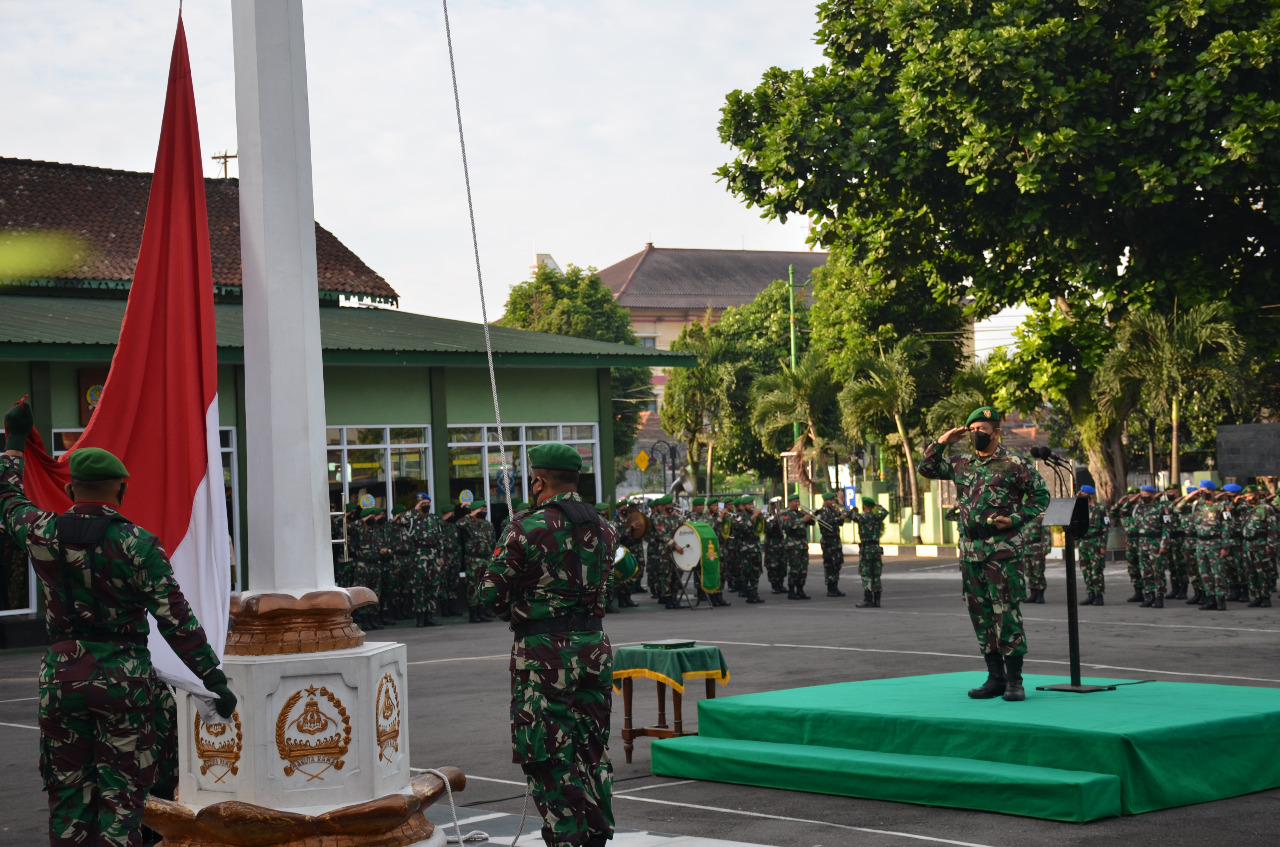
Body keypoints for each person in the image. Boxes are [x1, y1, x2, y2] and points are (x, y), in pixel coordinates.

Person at [1, 399, 236, 847]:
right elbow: (176, 619)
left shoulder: (42, 531)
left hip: (61, 679)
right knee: (122, 797)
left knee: (67, 796)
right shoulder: (138, 544)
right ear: (121, 491)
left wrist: (14, 445)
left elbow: (7, 500)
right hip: (123, 683)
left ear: (72, 492)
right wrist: (213, 677)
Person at [480, 442, 617, 847]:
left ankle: (567, 838)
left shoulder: (526, 527)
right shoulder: (605, 527)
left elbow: (490, 595)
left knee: (545, 753)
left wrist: (526, 613)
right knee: (591, 748)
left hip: (543, 655)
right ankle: (596, 834)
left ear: (538, 480)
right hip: (594, 648)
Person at [919, 405, 1049, 702]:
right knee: (981, 615)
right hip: (970, 550)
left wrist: (1016, 519)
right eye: (973, 430)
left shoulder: (1014, 462)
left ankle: (1015, 680)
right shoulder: (961, 462)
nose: (977, 434)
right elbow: (926, 469)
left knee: (1007, 614)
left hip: (1002, 549)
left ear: (996, 433)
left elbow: (1042, 496)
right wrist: (942, 442)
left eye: (982, 430)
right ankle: (995, 677)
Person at [850, 496, 889, 607]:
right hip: (876, 549)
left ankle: (868, 599)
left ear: (864, 506)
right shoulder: (878, 517)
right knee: (876, 575)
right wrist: (878, 506)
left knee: (866, 574)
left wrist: (844, 505)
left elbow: (849, 515)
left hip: (866, 549)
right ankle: (877, 600)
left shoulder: (862, 517)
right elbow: (885, 512)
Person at [462, 501, 497, 623]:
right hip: (473, 559)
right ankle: (473, 614)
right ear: (475, 511)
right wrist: (471, 514)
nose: (484, 511)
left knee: (484, 586)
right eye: (481, 509)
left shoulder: (488, 524)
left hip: (486, 558)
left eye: (485, 509)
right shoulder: (468, 523)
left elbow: (492, 542)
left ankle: (482, 612)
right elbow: (458, 524)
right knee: (472, 586)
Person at [1076, 486, 1109, 606]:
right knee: (1085, 570)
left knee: (1097, 570)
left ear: (1091, 495)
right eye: (1081, 493)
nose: (1082, 495)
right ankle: (1090, 594)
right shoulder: (1080, 508)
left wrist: (1103, 545)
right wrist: (1076, 498)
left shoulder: (1100, 509)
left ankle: (1099, 595)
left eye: (1084, 493)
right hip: (1083, 543)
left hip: (1095, 542)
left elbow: (1105, 528)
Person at [815, 491, 847, 597]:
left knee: (837, 563)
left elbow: (841, 522)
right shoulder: (821, 512)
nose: (833, 502)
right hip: (828, 541)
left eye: (834, 500)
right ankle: (830, 588)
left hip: (836, 540)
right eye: (831, 500)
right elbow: (826, 523)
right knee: (830, 565)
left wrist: (840, 512)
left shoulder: (833, 511)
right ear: (825, 501)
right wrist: (839, 518)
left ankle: (835, 586)